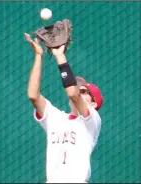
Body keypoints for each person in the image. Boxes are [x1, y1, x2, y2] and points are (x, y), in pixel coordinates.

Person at [25, 32, 103, 183]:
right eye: (78, 88)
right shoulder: (56, 118)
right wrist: (38, 56)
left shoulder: (92, 122)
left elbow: (73, 93)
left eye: (84, 92)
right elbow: (33, 95)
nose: (78, 92)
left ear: (93, 104)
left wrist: (60, 56)